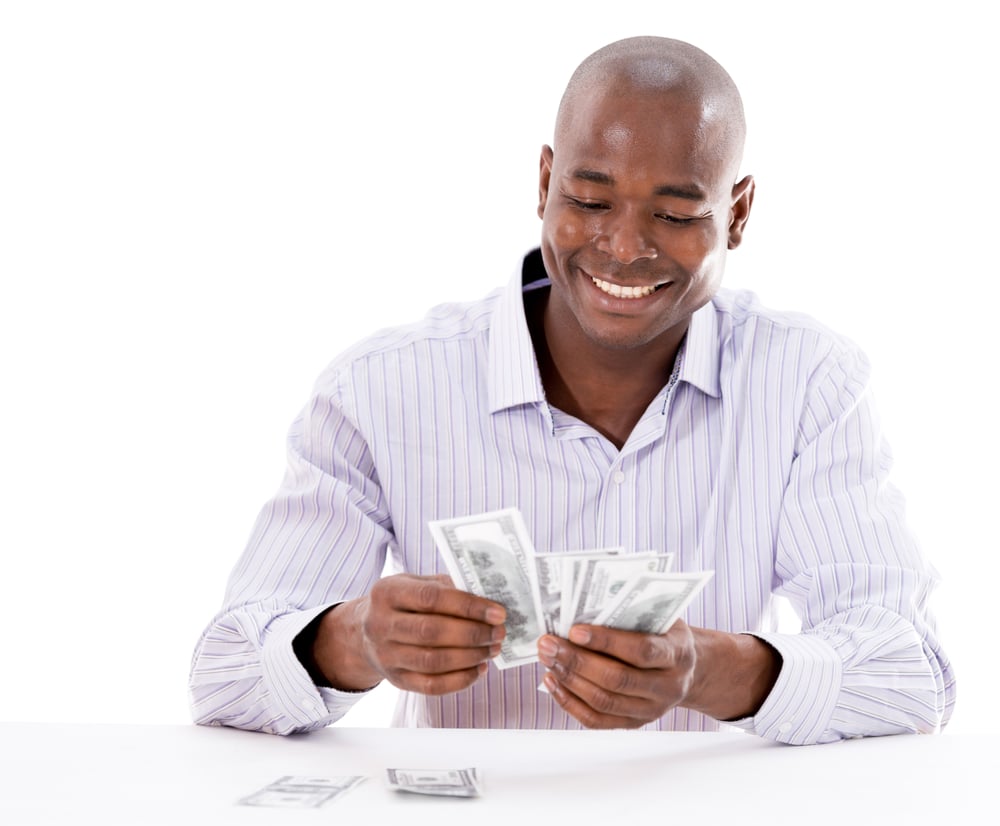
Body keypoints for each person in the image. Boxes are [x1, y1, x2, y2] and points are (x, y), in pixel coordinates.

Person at [189, 36, 955, 744]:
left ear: (739, 213)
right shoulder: (379, 389)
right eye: (590, 201)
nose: (623, 248)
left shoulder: (811, 386)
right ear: (546, 182)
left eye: (677, 213)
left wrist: (708, 672)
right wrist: (349, 641)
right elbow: (224, 677)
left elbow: (912, 676)